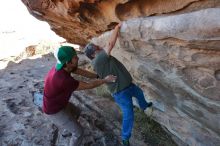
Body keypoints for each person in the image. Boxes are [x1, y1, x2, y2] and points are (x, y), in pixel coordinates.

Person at [84, 23, 153, 146]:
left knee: (140, 93)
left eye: (97, 46)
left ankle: (143, 106)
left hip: (128, 86)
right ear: (93, 54)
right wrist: (116, 28)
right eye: (97, 48)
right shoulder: (98, 60)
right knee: (129, 115)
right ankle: (125, 138)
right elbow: (110, 44)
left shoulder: (100, 59)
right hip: (120, 92)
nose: (99, 47)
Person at [43, 46, 116, 146]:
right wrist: (105, 80)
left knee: (76, 112)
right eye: (74, 57)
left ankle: (69, 128)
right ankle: (72, 133)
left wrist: (97, 76)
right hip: (54, 110)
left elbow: (80, 72)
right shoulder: (63, 80)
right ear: (68, 62)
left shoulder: (62, 66)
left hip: (59, 103)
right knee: (79, 132)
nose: (77, 58)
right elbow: (89, 85)